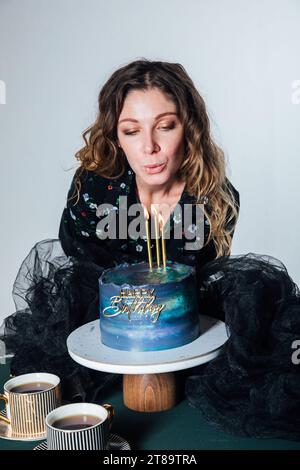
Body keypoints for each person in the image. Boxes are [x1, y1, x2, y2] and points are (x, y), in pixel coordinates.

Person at [1, 59, 299, 441]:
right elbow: (84, 271)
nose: (150, 148)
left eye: (166, 126)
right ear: (115, 135)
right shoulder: (94, 190)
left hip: (185, 321)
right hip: (104, 319)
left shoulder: (213, 198)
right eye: (131, 130)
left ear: (188, 128)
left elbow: (200, 277)